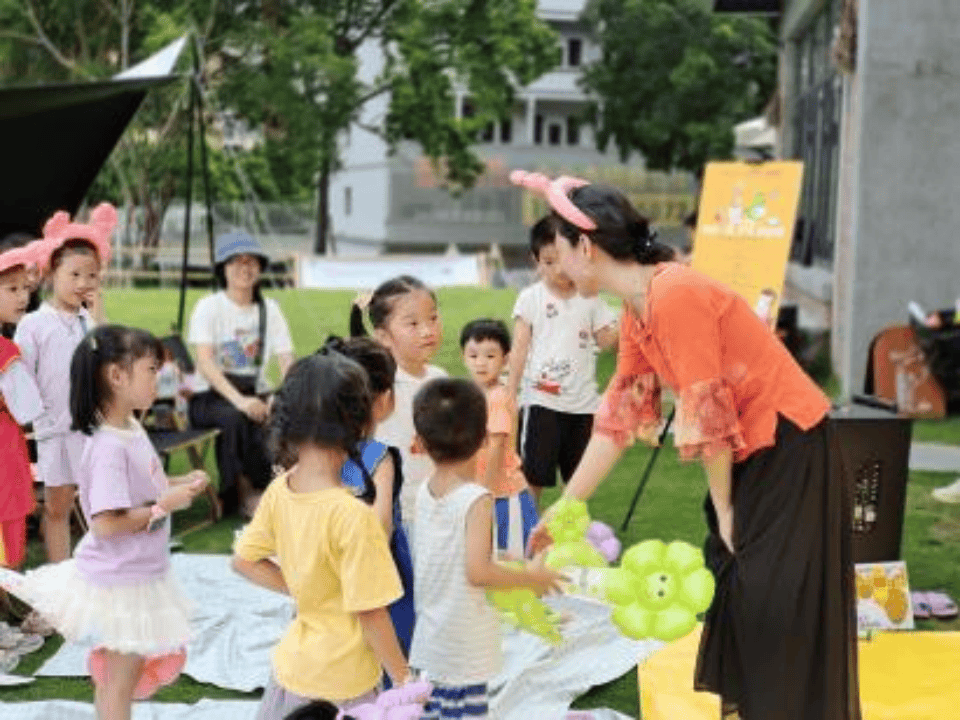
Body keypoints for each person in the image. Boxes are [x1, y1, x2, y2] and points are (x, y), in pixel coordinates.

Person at [514, 170, 860, 720]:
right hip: (753, 451)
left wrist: (725, 509)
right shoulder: (637, 306)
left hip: (790, 446)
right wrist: (568, 504)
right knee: (745, 591)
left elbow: (707, 410)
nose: (552, 265)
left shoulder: (673, 295)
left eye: (556, 250)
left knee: (770, 598)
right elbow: (619, 418)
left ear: (584, 245)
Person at [11, 324, 210, 720]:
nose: (160, 378)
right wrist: (162, 507)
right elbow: (105, 523)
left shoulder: (130, 428)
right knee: (121, 683)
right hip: (122, 584)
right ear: (117, 376)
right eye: (152, 369)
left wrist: (177, 483)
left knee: (119, 680)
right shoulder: (107, 447)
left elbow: (143, 486)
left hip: (137, 573)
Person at [232, 352, 412, 720]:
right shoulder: (353, 517)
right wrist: (405, 680)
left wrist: (304, 587)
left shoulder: (280, 490)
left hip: (291, 673)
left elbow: (244, 560)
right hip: (344, 687)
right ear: (359, 422)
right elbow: (371, 611)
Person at [408, 377, 564, 720]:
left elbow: (457, 555)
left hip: (436, 634)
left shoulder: (425, 491)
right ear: (483, 439)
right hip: (462, 643)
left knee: (439, 709)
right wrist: (531, 577)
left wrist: (510, 561)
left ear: (419, 443)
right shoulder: (476, 499)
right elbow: (478, 571)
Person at [15, 203, 115, 563]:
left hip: (92, 428)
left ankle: (103, 570)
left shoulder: (89, 323)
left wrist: (99, 315)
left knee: (99, 502)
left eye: (91, 276)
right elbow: (21, 376)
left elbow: (109, 361)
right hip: (54, 429)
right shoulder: (34, 325)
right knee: (58, 505)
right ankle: (61, 574)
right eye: (74, 275)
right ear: (50, 275)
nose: (83, 284)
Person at [505, 215, 618, 509]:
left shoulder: (591, 297)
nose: (559, 270)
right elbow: (518, 350)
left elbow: (608, 341)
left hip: (583, 406)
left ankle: (573, 541)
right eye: (548, 261)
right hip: (541, 402)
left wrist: (633, 310)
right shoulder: (531, 298)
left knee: (579, 479)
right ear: (536, 261)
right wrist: (509, 393)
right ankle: (528, 538)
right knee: (533, 477)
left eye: (564, 260)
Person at [321, 336, 416, 671]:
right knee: (389, 647)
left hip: (328, 571)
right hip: (379, 575)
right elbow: (381, 526)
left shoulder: (316, 452)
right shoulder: (379, 457)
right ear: (384, 399)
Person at [188, 231, 294, 518]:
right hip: (210, 395)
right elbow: (206, 363)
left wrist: (281, 396)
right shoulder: (209, 307)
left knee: (285, 413)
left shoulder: (269, 309)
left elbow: (287, 360)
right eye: (236, 262)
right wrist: (240, 401)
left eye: (251, 262)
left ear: (260, 268)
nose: (244, 268)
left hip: (255, 390)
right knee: (237, 417)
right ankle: (242, 493)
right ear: (223, 268)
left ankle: (280, 488)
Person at [349, 276, 445, 537]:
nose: (427, 330)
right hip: (391, 514)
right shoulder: (379, 387)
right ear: (383, 336)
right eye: (413, 323)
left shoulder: (439, 378)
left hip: (434, 509)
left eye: (433, 318)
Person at [460, 318, 538, 558]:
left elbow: (496, 447)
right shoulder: (470, 395)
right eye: (473, 356)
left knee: (511, 564)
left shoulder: (498, 398)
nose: (481, 363)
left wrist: (483, 494)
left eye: (490, 356)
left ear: (505, 360)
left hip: (505, 497)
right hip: (485, 495)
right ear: (464, 357)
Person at [0, 239, 45, 570]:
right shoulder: (7, 354)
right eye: (11, 289)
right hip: (4, 450)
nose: (22, 297)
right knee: (10, 531)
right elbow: (28, 409)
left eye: (24, 289)